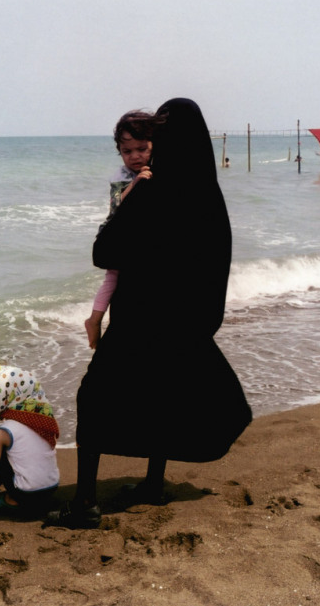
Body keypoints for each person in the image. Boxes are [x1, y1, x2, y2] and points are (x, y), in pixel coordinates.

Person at [47, 98, 252, 529]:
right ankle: (154, 485)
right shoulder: (208, 194)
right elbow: (217, 261)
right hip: (183, 324)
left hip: (140, 320)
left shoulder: (152, 191)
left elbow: (104, 253)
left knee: (94, 398)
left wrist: (125, 206)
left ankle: (84, 503)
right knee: (164, 396)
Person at [84, 111, 154, 349]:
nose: (135, 156)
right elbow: (117, 205)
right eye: (127, 152)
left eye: (142, 149)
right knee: (112, 277)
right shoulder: (123, 177)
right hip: (115, 234)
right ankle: (94, 320)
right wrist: (136, 184)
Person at [0, 361, 60, 514]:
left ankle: (13, 501)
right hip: (52, 487)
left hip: (26, 493)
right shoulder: (41, 421)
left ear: (8, 395)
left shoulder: (2, 432)